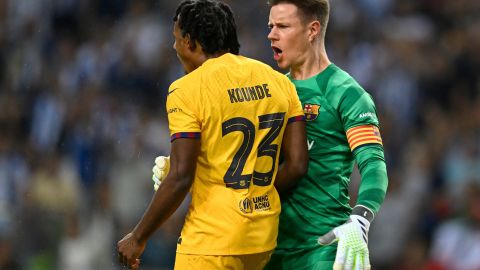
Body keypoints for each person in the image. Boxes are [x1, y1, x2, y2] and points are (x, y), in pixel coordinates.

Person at [117, 0, 308, 269]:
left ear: (191, 43)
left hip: (211, 244)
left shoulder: (186, 90)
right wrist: (253, 193)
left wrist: (137, 238)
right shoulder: (278, 81)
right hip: (262, 240)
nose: (174, 47)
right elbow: (298, 163)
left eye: (177, 40)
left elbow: (181, 176)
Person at [263, 0, 389, 269]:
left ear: (312, 30)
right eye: (271, 26)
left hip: (321, 249)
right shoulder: (273, 90)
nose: (271, 34)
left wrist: (361, 219)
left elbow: (373, 164)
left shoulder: (347, 93)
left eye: (283, 26)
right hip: (268, 249)